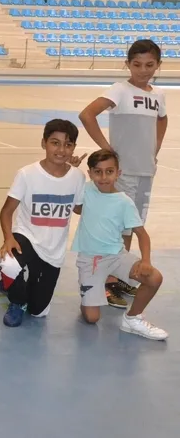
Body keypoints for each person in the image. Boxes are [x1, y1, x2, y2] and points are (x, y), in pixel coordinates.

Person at [78, 39, 166, 307]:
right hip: (123, 174)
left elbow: (162, 119)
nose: (143, 70)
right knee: (115, 230)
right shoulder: (119, 90)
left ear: (158, 65)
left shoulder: (158, 96)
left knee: (130, 227)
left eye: (150, 65)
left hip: (145, 173)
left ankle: (115, 277)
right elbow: (87, 114)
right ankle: (106, 283)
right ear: (127, 64)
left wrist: (155, 149)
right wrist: (108, 150)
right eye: (137, 64)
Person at [0, 119, 86, 327]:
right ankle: (16, 300)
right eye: (55, 143)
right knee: (9, 263)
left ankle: (12, 282)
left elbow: (79, 209)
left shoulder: (77, 177)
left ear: (73, 147)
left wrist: (90, 184)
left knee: (38, 311)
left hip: (53, 251)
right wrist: (8, 238)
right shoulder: (27, 174)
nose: (61, 150)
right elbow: (6, 211)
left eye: (68, 144)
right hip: (26, 237)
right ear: (43, 143)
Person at [73, 149, 166, 340]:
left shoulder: (124, 202)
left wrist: (146, 260)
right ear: (89, 173)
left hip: (116, 256)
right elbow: (76, 208)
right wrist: (71, 173)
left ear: (118, 173)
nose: (104, 177)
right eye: (97, 171)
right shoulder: (86, 189)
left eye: (109, 171)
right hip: (90, 260)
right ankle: (89, 293)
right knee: (91, 318)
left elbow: (142, 234)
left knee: (154, 278)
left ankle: (132, 319)